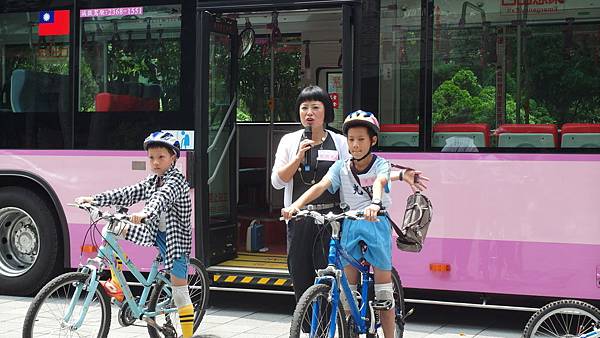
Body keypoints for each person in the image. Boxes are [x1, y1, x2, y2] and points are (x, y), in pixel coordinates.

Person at [281, 110, 428, 338]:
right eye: (351, 139)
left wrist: (376, 204)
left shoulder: (381, 165)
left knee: (383, 296)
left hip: (375, 223)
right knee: (347, 295)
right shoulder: (341, 166)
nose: (355, 145)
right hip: (350, 224)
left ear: (373, 140)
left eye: (361, 139)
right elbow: (320, 186)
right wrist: (295, 206)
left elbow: (379, 181)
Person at [75, 131, 195, 338]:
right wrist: (94, 199)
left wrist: (145, 213)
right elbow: (128, 192)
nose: (155, 162)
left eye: (161, 157)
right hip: (152, 232)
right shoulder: (153, 180)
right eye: (151, 158)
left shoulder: (175, 182)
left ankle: (187, 335)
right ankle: (117, 284)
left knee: (180, 293)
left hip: (176, 242)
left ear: (173, 158)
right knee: (110, 229)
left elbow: (161, 199)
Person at [271, 85, 349, 303]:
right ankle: (307, 328)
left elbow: (347, 181)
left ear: (326, 112)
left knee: (327, 277)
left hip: (330, 221)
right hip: (299, 219)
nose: (309, 113)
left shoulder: (340, 142)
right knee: (300, 275)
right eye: (304, 108)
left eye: (316, 107)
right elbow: (277, 182)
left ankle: (327, 327)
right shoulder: (289, 141)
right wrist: (297, 158)